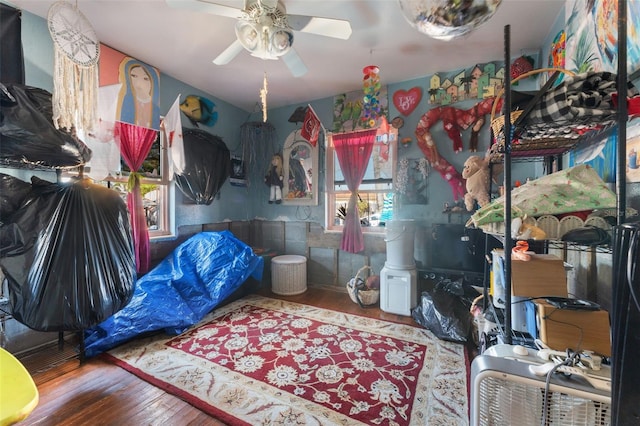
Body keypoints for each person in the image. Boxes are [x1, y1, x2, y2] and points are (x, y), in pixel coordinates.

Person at [116, 58, 160, 129]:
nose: (139, 83)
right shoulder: (123, 101)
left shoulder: (155, 109)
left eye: (145, 78)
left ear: (152, 83)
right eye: (134, 76)